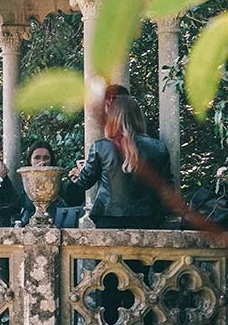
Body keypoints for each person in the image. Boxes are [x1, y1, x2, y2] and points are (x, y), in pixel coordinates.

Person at [67, 87, 173, 227]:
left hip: (109, 216)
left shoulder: (101, 146)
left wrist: (79, 174)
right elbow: (167, 187)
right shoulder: (158, 147)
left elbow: (85, 182)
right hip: (148, 217)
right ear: (138, 116)